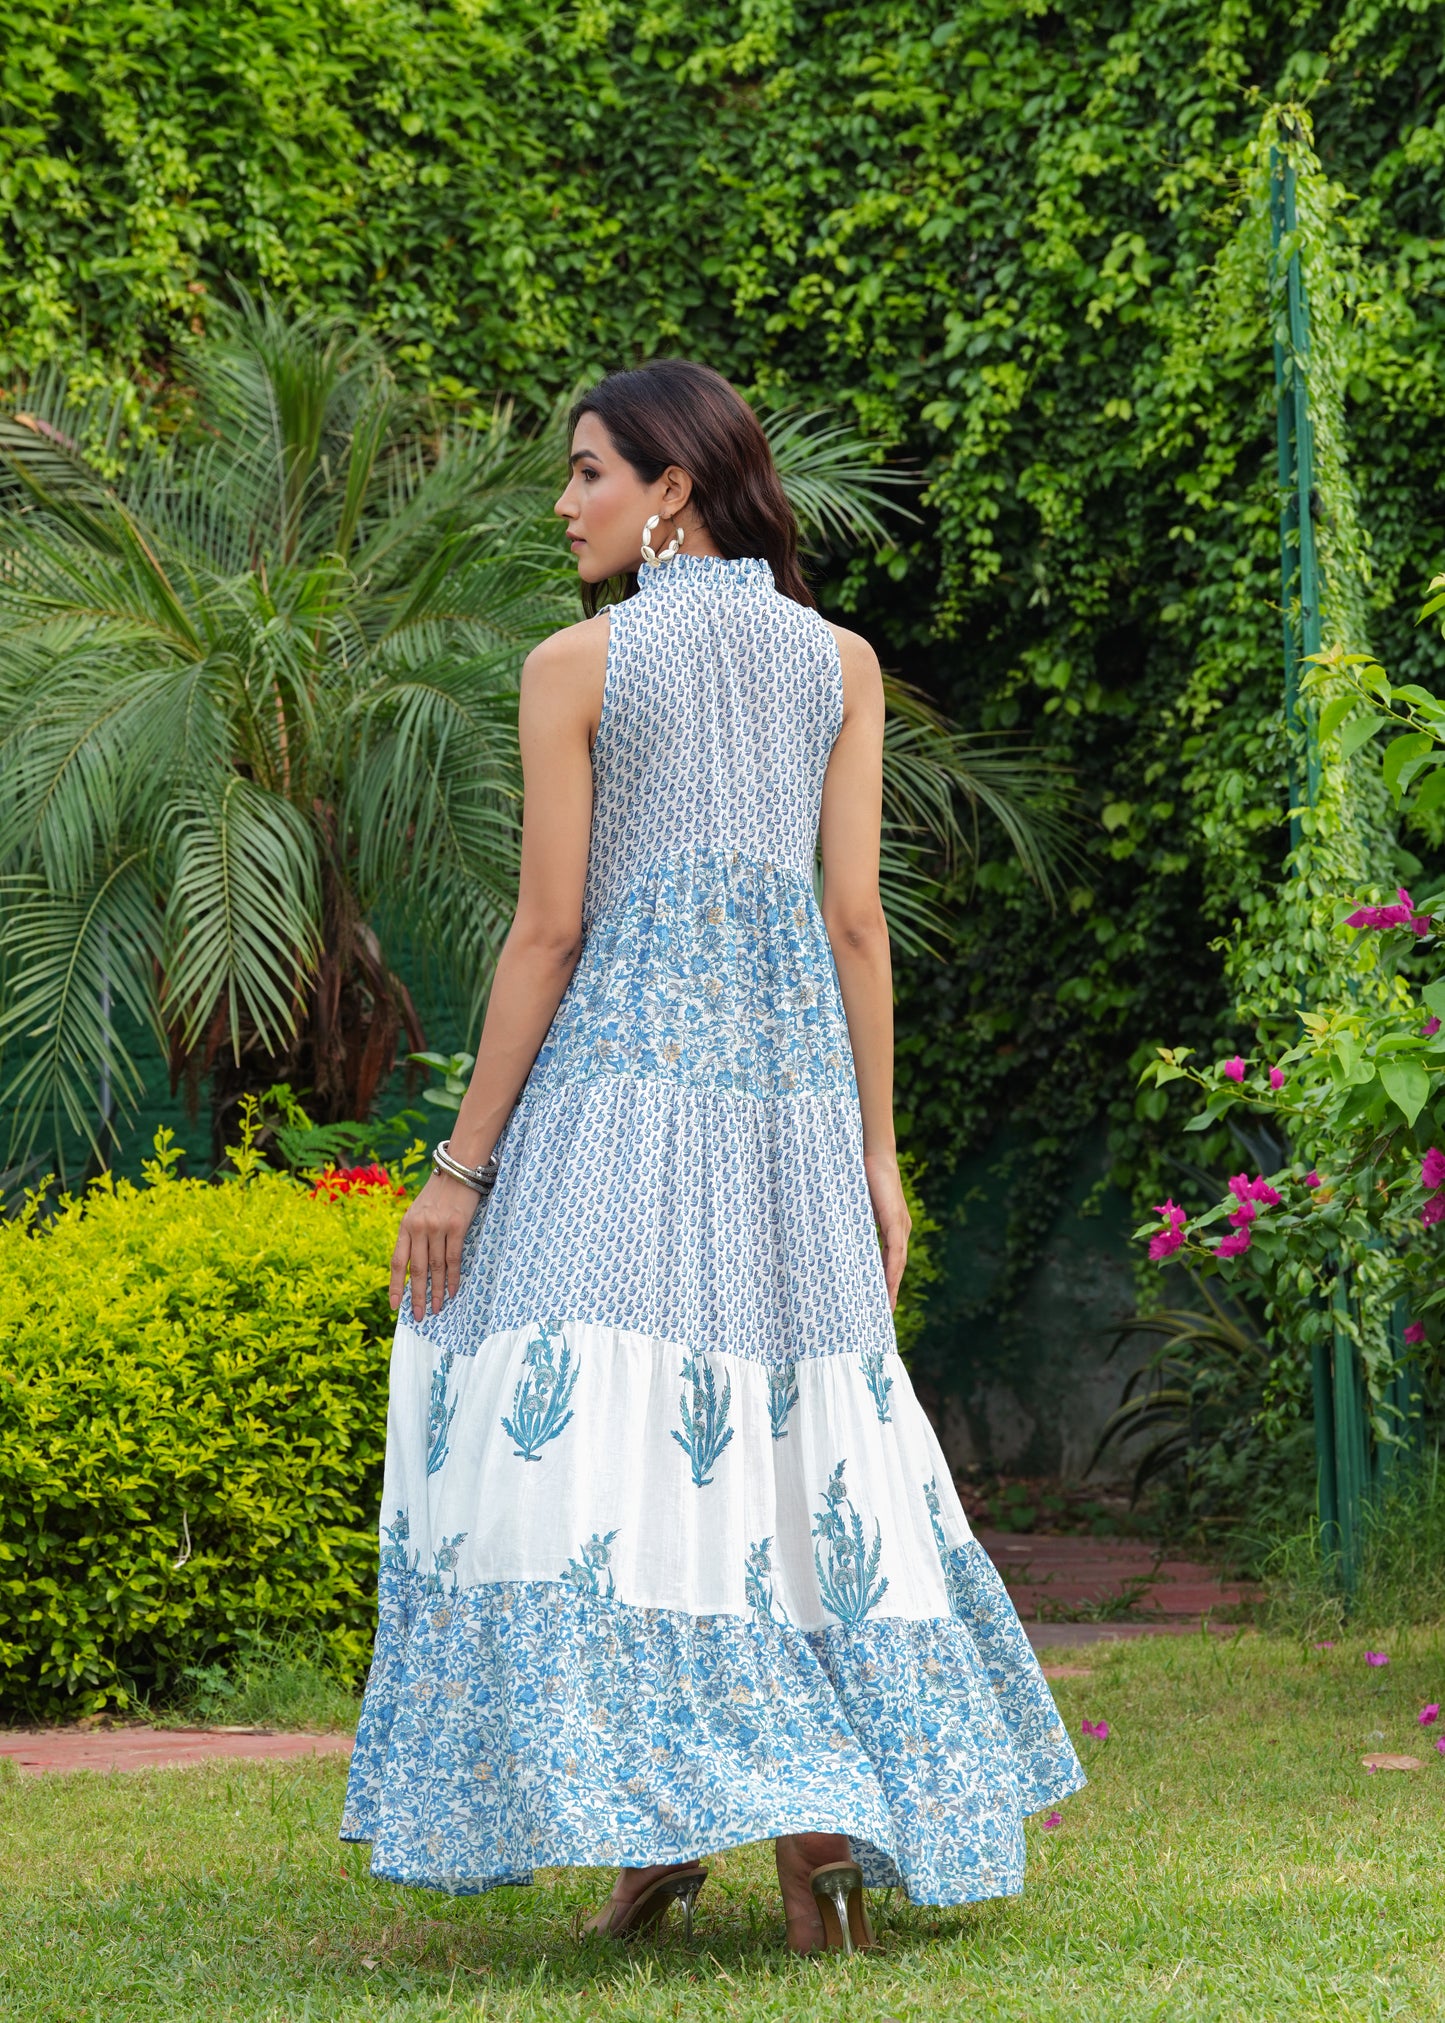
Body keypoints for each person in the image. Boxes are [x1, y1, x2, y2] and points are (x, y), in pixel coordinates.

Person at [340, 359, 1083, 1952]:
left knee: (575, 1434)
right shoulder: (838, 660)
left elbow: (548, 932)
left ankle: (670, 1811)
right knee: (794, 1439)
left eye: (588, 471)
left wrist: (458, 1167)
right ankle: (774, 1845)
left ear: (671, 487)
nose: (566, 502)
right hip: (795, 1117)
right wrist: (878, 1160)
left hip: (617, 1100)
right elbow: (857, 926)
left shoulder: (577, 666)